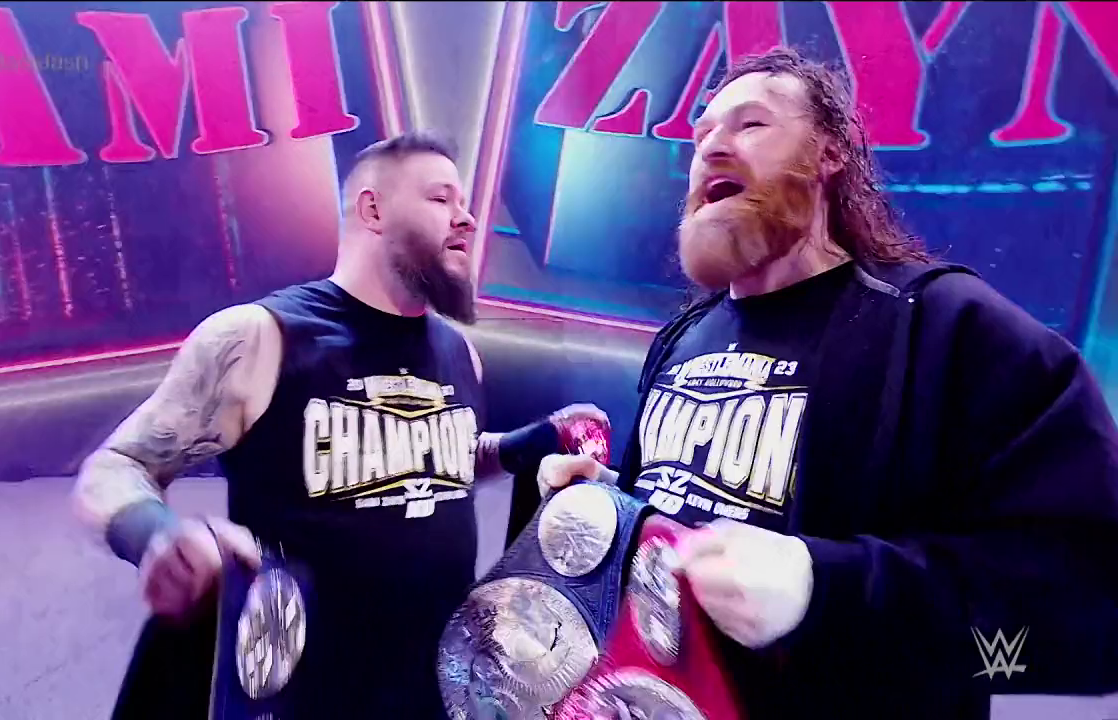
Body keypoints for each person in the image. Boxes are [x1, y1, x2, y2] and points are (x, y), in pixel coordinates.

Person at [536, 48, 1118, 718]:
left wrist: (827, 589)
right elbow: (680, 538)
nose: (714, 147)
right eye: (702, 135)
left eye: (751, 124)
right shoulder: (683, 337)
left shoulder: (948, 329)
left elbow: (1088, 630)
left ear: (829, 153)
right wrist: (614, 509)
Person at [71, 132, 608, 719]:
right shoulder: (261, 337)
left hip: (428, 691)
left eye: (464, 202)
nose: (468, 218)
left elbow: (435, 463)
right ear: (373, 209)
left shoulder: (459, 352)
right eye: (441, 198)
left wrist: (522, 446)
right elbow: (116, 467)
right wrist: (157, 536)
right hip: (300, 693)